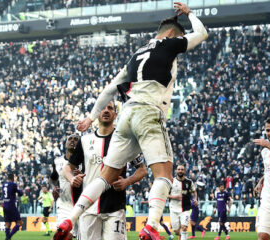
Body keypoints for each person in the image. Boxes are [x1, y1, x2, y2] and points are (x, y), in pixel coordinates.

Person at [53, 2, 207, 240]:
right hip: (148, 112)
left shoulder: (135, 56)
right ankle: (152, 225)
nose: (180, 41)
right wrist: (190, 13)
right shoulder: (169, 43)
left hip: (126, 114)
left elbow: (109, 89)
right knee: (164, 174)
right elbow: (203, 34)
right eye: (179, 36)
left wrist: (91, 116)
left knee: (105, 178)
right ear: (170, 34)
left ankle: (69, 219)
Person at [63, 101, 147, 240]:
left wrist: (127, 181)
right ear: (97, 114)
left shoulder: (125, 141)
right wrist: (72, 178)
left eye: (110, 108)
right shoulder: (85, 140)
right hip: (88, 207)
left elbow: (142, 170)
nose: (106, 110)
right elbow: (68, 167)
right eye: (103, 108)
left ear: (115, 114)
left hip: (115, 207)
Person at [50, 134, 82, 240]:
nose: (72, 141)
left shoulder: (86, 161)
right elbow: (53, 179)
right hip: (65, 205)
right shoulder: (57, 162)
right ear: (65, 144)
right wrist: (54, 188)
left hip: (83, 206)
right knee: (63, 235)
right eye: (70, 139)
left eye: (76, 139)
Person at [168, 165, 197, 240]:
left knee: (184, 227)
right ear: (176, 171)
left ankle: (184, 236)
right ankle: (183, 236)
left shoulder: (189, 182)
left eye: (182, 169)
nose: (180, 171)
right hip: (173, 209)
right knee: (176, 231)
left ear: (184, 171)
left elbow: (194, 191)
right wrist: (174, 197)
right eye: (179, 169)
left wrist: (195, 199)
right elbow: (165, 194)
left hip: (185, 209)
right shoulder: (171, 181)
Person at [2, 173, 23, 240]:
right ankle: (8, 237)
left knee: (8, 224)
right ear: (13, 179)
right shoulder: (13, 184)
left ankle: (8, 238)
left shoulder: (3, 185)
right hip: (11, 206)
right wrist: (20, 189)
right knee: (19, 223)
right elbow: (20, 194)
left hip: (5, 205)